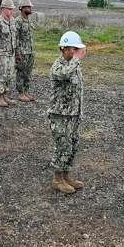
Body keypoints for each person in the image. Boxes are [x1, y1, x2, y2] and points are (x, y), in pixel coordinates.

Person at [49, 31, 87, 194]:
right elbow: (63, 75)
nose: (78, 52)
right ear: (65, 49)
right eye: (74, 49)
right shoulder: (59, 66)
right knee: (62, 146)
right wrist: (77, 58)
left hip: (73, 114)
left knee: (72, 145)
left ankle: (66, 175)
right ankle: (57, 179)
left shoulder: (74, 65)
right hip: (60, 115)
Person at [0, 0, 18, 107]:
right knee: (1, 74)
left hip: (11, 53)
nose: (11, 11)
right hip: (2, 53)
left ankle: (5, 94)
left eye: (12, 9)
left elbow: (14, 37)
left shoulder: (13, 21)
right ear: (3, 9)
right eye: (9, 9)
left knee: (9, 75)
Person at [15, 0, 36, 102]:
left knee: (28, 73)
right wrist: (18, 53)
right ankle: (20, 92)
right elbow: (16, 38)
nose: (29, 8)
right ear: (21, 8)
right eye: (27, 7)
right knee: (21, 72)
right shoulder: (18, 22)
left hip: (30, 51)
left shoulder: (29, 21)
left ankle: (26, 91)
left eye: (30, 7)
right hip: (22, 52)